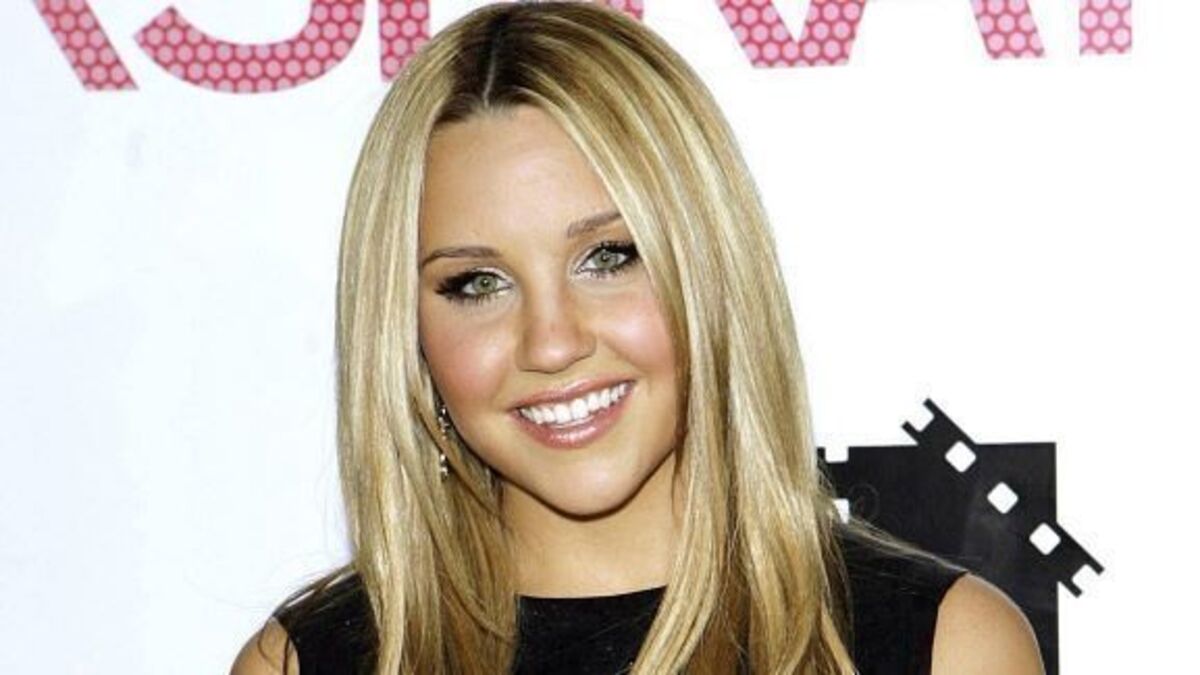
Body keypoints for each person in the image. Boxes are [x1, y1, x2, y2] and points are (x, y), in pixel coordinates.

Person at [231, 2, 1043, 673]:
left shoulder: (946, 648)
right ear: (404, 332)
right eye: (477, 283)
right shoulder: (300, 664)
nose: (551, 343)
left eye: (609, 257)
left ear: (709, 268)